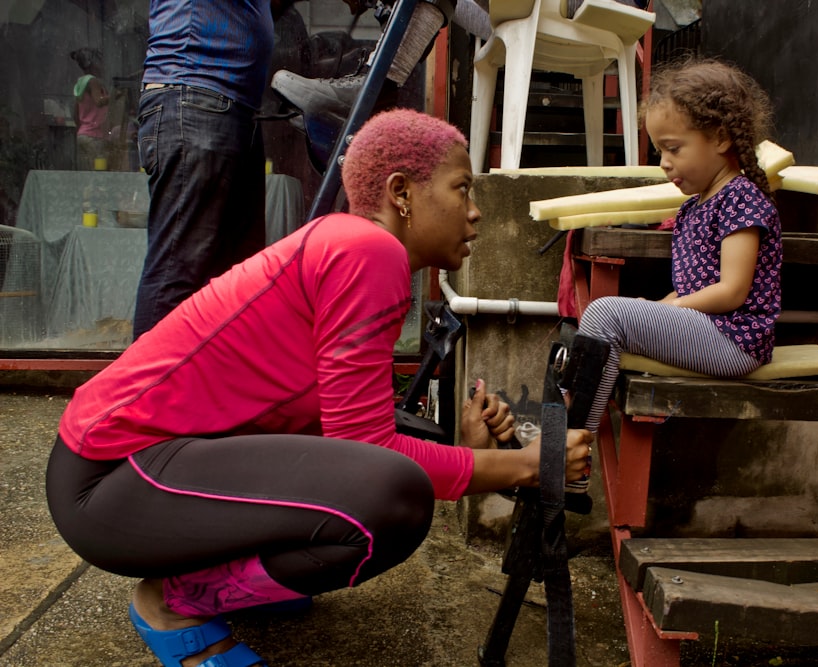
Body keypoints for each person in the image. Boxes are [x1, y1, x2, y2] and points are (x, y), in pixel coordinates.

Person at [46, 108, 593, 667]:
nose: (475, 213)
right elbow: (366, 455)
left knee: (406, 443)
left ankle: (235, 577)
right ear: (400, 192)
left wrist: (464, 453)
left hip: (124, 471)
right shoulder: (369, 251)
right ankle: (176, 599)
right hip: (111, 480)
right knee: (393, 498)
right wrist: (531, 464)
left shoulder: (349, 245)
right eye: (462, 189)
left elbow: (344, 432)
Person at [577, 56, 783, 438]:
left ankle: (572, 448)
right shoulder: (692, 208)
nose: (664, 163)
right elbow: (690, 288)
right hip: (708, 330)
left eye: (673, 148)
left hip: (733, 339)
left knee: (606, 314)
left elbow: (732, 291)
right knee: (592, 329)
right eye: (659, 151)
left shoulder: (741, 197)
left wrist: (658, 310)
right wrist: (656, 309)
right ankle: (559, 443)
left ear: (720, 138)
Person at [131, 0, 302, 339]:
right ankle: (147, 392)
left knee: (235, 279)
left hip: (231, 107)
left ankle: (212, 390)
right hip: (194, 93)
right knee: (176, 271)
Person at [71, 48, 110, 171]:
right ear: (92, 64)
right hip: (94, 136)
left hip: (82, 135)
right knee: (98, 174)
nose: (102, 67)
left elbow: (75, 114)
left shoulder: (80, 83)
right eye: (100, 63)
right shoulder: (93, 81)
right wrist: (114, 96)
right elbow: (98, 101)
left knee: (87, 173)